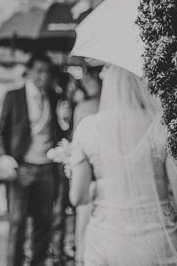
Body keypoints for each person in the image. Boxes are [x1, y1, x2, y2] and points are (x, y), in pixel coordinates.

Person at [69, 65, 177, 265]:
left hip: (106, 239)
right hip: (158, 239)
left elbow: (78, 197)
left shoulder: (87, 128)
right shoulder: (161, 126)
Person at [0, 51, 68, 266]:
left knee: (44, 222)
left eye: (47, 72)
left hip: (47, 169)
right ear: (29, 72)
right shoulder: (13, 96)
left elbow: (61, 131)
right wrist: (3, 156)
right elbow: (0, 133)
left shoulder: (56, 97)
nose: (43, 76)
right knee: (17, 223)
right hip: (22, 167)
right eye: (39, 71)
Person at [71, 64, 102, 265]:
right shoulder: (82, 108)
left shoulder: (116, 106)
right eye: (84, 79)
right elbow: (76, 146)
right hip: (87, 176)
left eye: (90, 77)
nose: (86, 82)